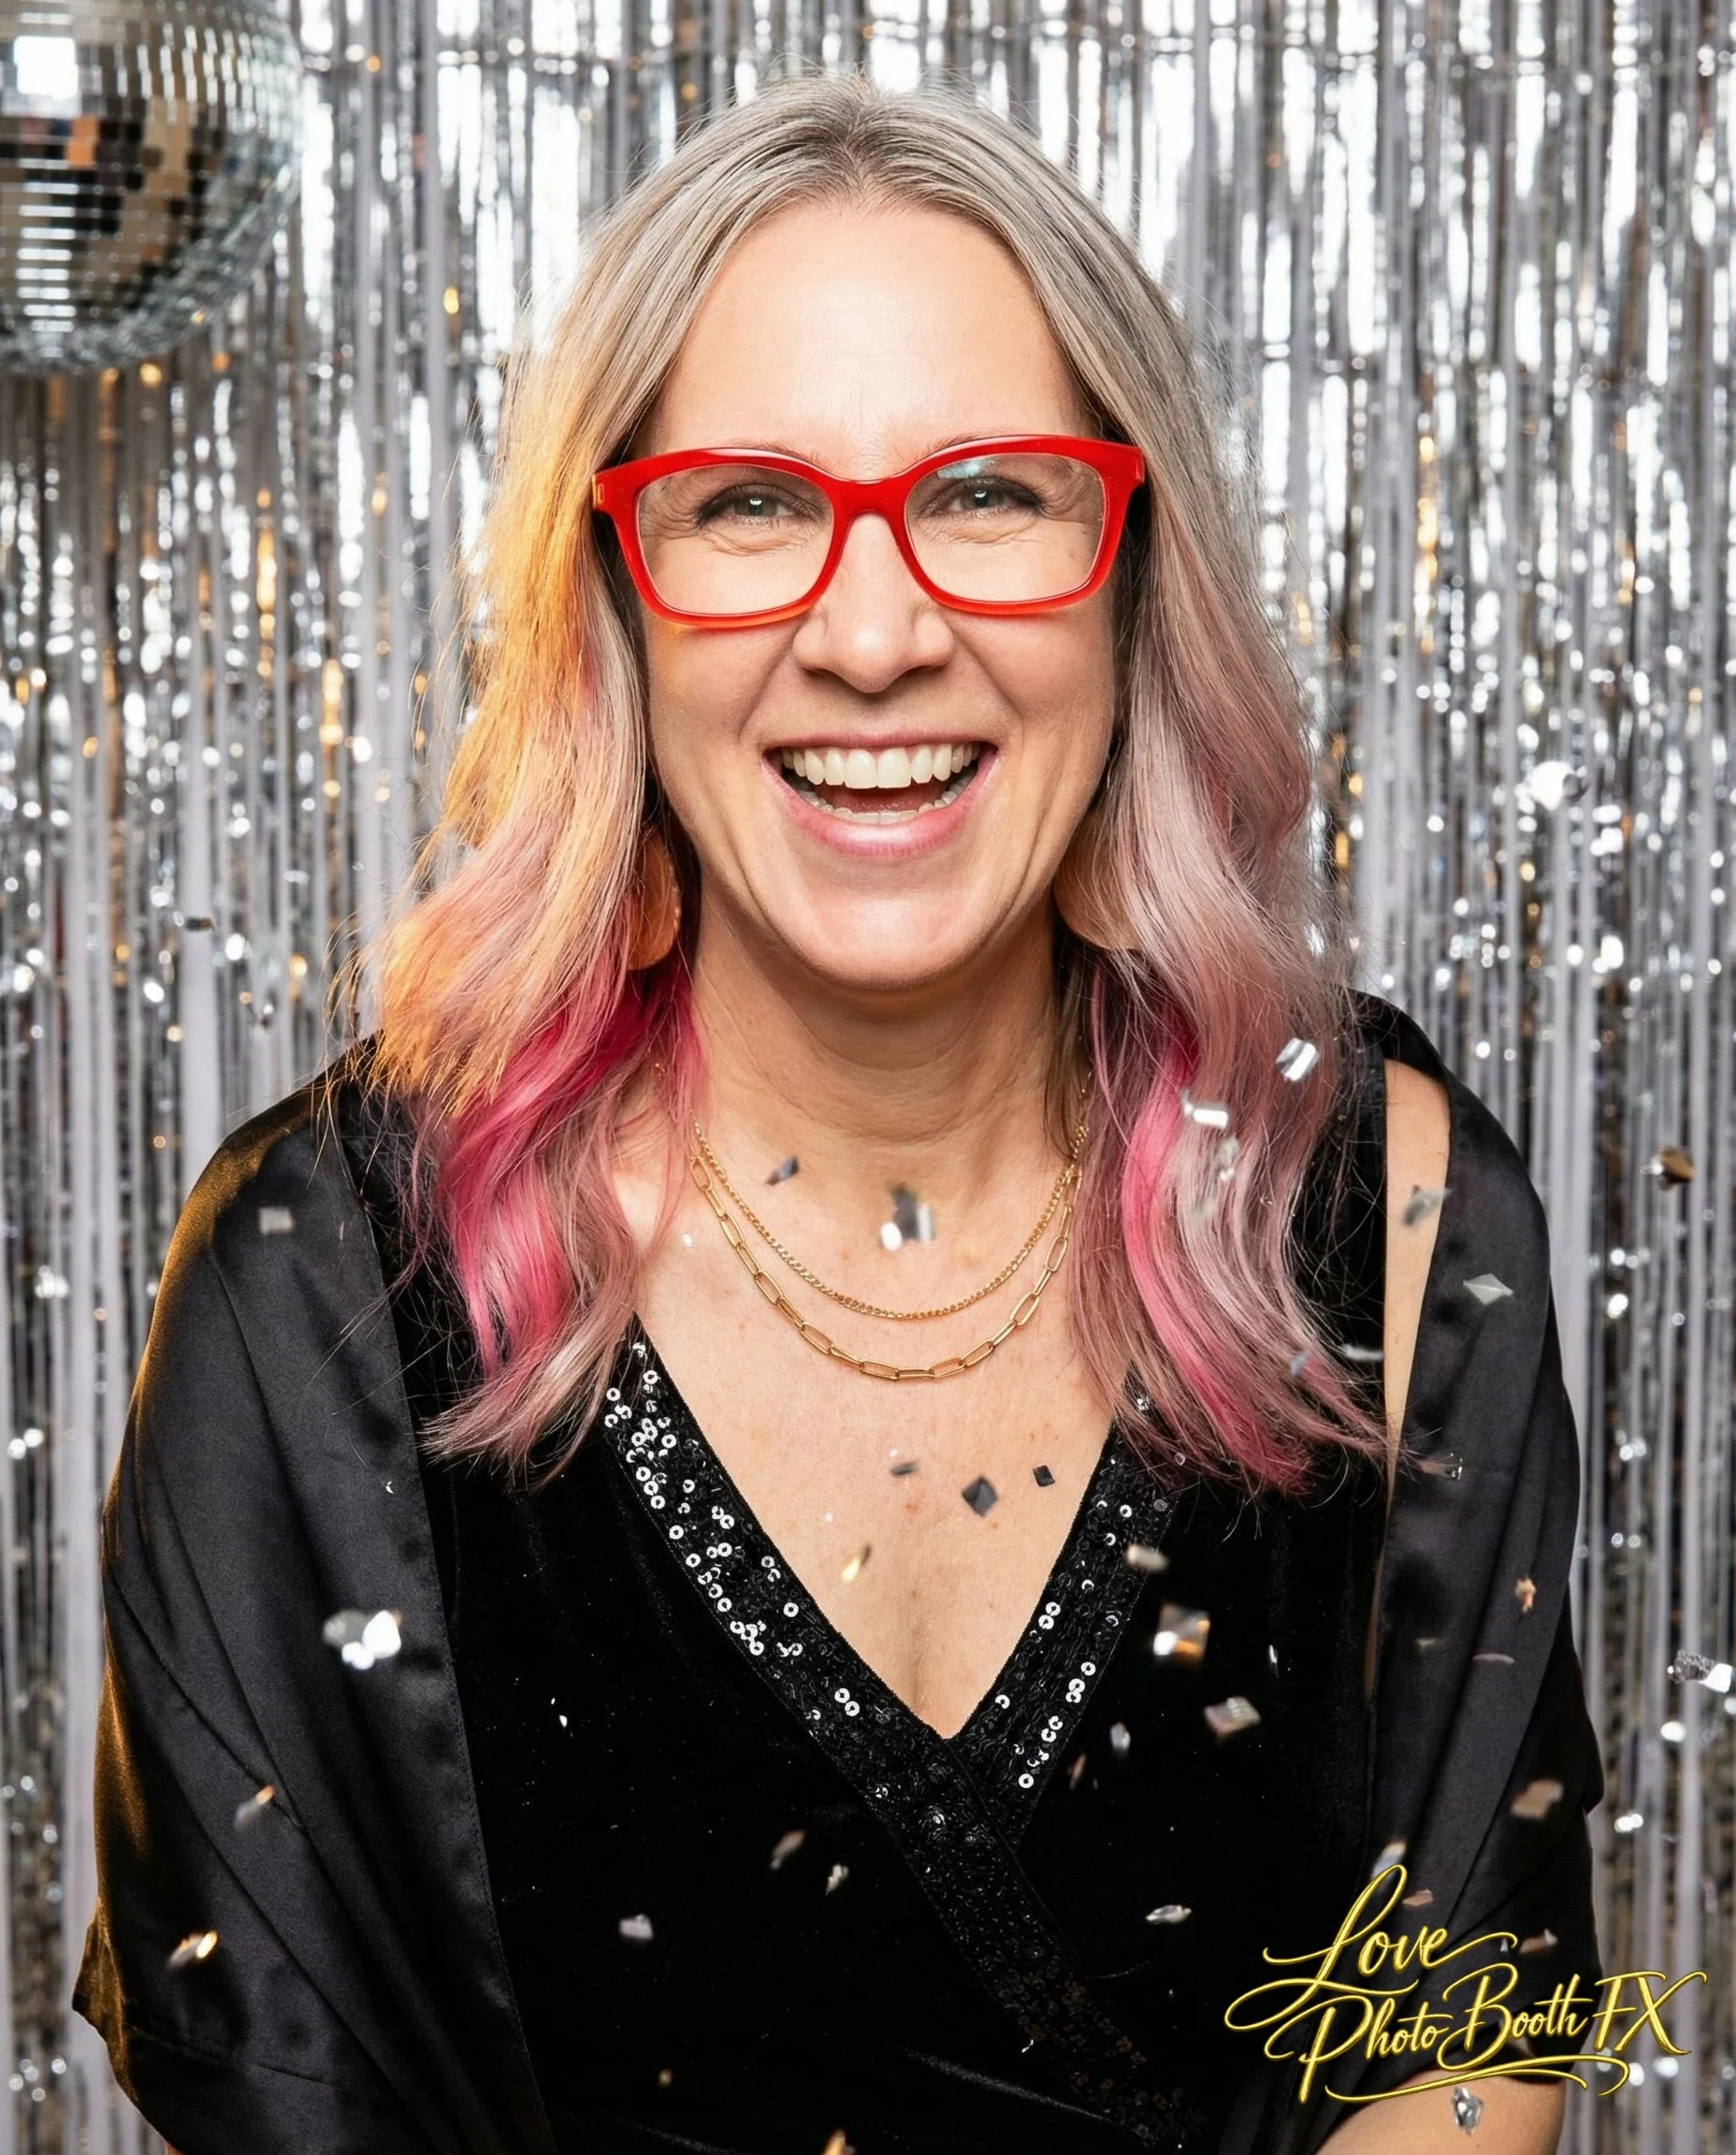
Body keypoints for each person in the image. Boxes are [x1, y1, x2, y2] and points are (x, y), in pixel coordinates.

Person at [75, 74, 1602, 2155]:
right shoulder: (318, 1279)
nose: (874, 637)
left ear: (1126, 573)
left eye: (985, 493)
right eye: (746, 505)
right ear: (609, 601)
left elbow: (1463, 2032)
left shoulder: (1402, 1210)